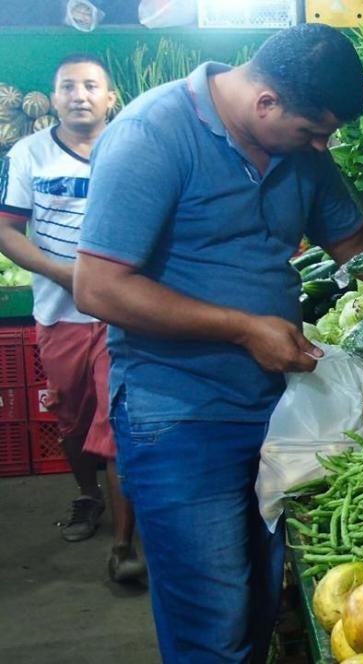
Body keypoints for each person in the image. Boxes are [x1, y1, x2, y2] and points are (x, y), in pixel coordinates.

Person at [74, 24, 363, 663]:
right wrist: (243, 327)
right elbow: (99, 287)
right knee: (212, 617)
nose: (322, 146)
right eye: (313, 131)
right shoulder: (151, 135)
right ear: (265, 104)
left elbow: (360, 247)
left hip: (276, 410)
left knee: (259, 596)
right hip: (178, 415)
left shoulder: (300, 150)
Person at [0, 53, 146, 583]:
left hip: (124, 314)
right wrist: (67, 275)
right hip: (59, 313)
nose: (79, 94)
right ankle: (89, 495)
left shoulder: (133, 149)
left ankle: (125, 546)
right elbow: (8, 232)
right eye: (68, 86)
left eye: (91, 86)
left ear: (110, 98)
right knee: (72, 419)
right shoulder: (29, 153)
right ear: (55, 98)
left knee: (116, 423)